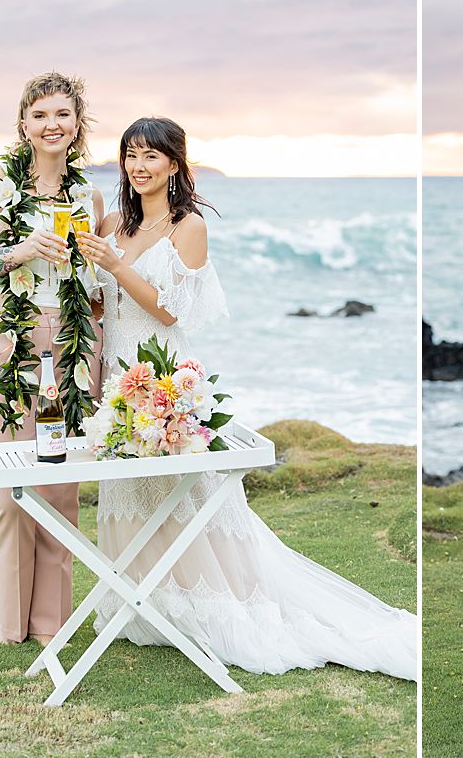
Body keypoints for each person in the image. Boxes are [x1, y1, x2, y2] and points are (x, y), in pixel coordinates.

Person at [75, 116, 416, 680]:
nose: (138, 166)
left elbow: (169, 309)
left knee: (187, 493)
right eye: (130, 155)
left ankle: (215, 603)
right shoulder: (112, 222)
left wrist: (113, 265)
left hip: (163, 371)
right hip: (117, 376)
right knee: (133, 489)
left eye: (151, 156)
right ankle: (147, 603)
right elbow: (99, 306)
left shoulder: (189, 227)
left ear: (176, 164)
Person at [0, 72, 105, 645]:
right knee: (7, 490)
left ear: (77, 125)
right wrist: (19, 250)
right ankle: (11, 630)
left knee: (60, 489)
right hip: (2, 339)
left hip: (68, 343)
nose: (51, 125)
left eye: (62, 114)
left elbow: (94, 288)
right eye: (40, 115)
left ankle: (52, 628)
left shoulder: (86, 195)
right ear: (24, 124)